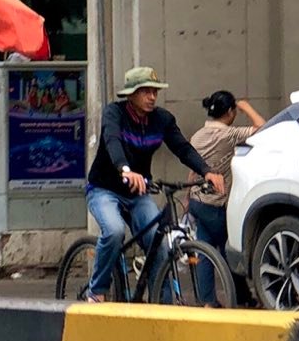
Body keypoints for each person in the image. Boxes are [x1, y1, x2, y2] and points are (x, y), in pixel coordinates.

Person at [84, 67, 224, 301]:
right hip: (104, 190)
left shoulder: (162, 120)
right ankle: (96, 291)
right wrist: (126, 170)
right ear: (131, 94)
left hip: (138, 192)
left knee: (158, 243)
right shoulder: (114, 113)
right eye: (145, 91)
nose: (152, 97)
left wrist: (207, 171)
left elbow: (182, 148)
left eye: (155, 92)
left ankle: (161, 305)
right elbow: (112, 140)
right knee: (115, 231)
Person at [188, 90, 266, 302]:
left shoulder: (197, 135)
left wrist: (188, 200)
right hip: (216, 204)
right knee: (230, 251)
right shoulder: (228, 135)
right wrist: (247, 107)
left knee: (205, 252)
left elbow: (193, 169)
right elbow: (263, 127)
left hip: (197, 201)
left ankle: (208, 302)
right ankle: (243, 298)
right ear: (230, 112)